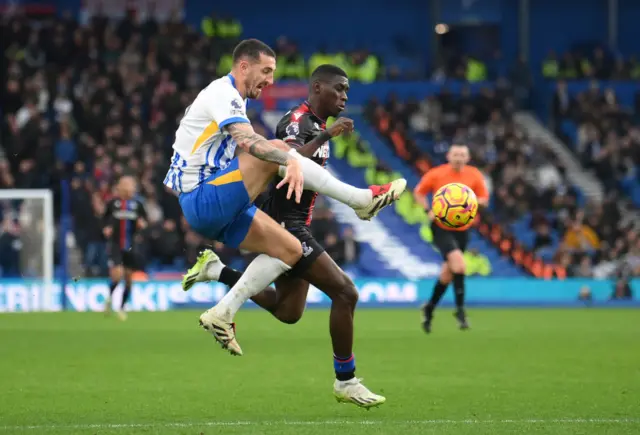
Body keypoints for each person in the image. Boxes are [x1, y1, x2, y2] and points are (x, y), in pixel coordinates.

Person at [164, 40, 405, 358]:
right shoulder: (221, 94)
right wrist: (288, 159)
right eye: (265, 71)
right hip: (202, 200)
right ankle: (359, 199)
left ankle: (222, 312)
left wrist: (284, 158)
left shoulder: (233, 98)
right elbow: (249, 141)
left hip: (220, 207)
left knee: (290, 251)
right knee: (274, 146)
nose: (270, 80)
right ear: (244, 66)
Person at [182, 65, 385, 408]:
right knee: (346, 293)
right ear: (318, 87)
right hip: (287, 223)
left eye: (348, 91)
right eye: (340, 89)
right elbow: (287, 161)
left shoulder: (317, 126)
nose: (345, 97)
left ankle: (218, 272)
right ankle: (346, 380)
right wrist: (325, 137)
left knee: (288, 312)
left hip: (296, 222)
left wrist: (325, 135)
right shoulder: (297, 121)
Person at [413, 144, 489, 333]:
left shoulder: (474, 175)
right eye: (455, 154)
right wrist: (427, 210)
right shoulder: (437, 174)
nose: (458, 158)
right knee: (460, 265)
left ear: (468, 157)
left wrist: (469, 201)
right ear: (448, 156)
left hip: (463, 229)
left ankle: (429, 308)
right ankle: (460, 310)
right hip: (440, 227)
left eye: (462, 154)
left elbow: (484, 199)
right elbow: (419, 192)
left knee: (448, 273)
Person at [103, 175, 148, 320]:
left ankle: (121, 308)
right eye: (125, 185)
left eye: (131, 185)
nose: (129, 188)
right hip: (116, 244)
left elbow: (145, 220)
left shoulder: (138, 204)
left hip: (131, 246)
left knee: (128, 279)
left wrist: (143, 225)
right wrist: (106, 228)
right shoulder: (113, 203)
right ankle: (109, 298)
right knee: (117, 274)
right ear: (120, 187)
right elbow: (104, 219)